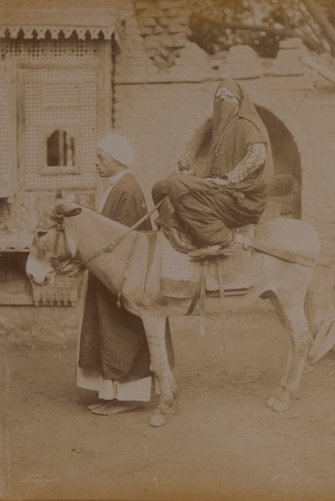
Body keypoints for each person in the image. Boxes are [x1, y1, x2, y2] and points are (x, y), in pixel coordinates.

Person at [77, 133, 155, 416]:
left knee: (122, 331)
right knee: (107, 330)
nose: (96, 163)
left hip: (122, 276)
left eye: (101, 158)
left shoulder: (128, 189)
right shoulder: (114, 186)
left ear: (118, 161)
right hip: (107, 272)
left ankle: (129, 396)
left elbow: (127, 237)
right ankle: (111, 394)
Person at [152, 79, 274, 258]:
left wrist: (229, 178)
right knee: (161, 187)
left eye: (228, 97)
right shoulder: (223, 131)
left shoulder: (245, 124)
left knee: (177, 184)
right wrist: (193, 176)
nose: (222, 101)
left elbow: (258, 155)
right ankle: (176, 229)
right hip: (222, 190)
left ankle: (221, 238)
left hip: (242, 198)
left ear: (240, 102)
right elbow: (214, 174)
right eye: (218, 97)